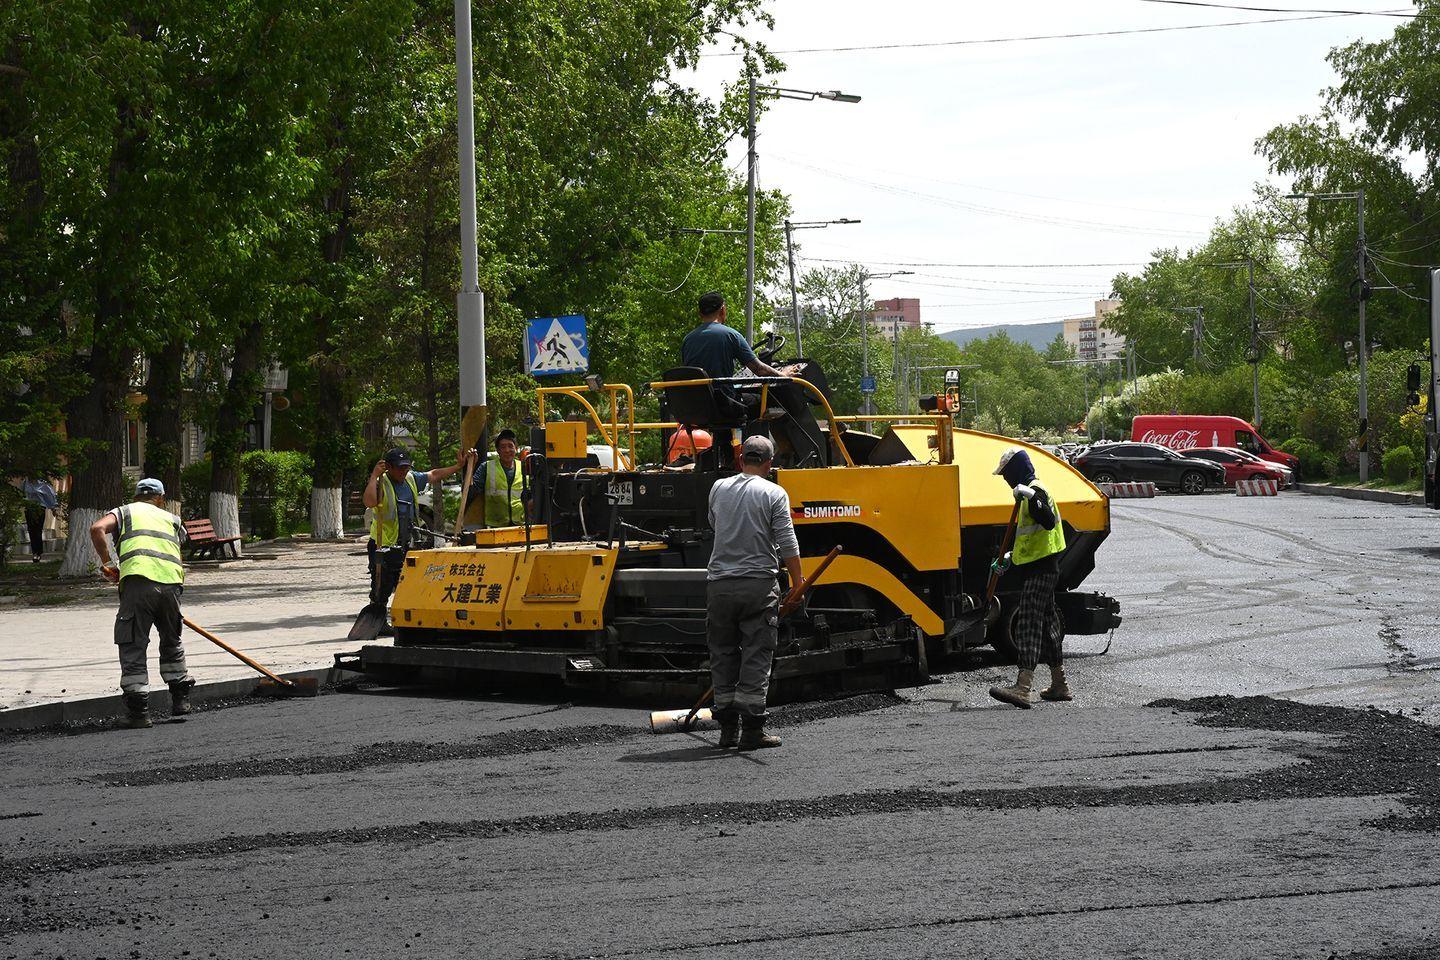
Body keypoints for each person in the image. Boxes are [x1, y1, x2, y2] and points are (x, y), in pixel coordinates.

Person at [705, 435, 805, 750]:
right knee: (756, 654)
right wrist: (798, 582)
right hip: (758, 586)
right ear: (769, 463)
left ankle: (726, 731)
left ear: (740, 460)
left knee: (722, 654)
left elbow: (714, 525)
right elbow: (787, 542)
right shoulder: (774, 493)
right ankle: (751, 732)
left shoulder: (718, 489)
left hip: (719, 586)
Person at [88, 478, 192, 729]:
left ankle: (139, 713)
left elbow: (96, 529)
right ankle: (180, 700)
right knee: (171, 639)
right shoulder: (172, 519)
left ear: (136, 497)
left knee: (133, 642)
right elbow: (176, 550)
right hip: (171, 585)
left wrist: (108, 563)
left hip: (138, 583)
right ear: (161, 498)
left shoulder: (124, 512)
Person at [988, 447, 1070, 709]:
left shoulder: (1036, 490)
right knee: (1048, 625)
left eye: (1005, 474)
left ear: (1015, 470)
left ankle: (1023, 688)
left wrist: (1031, 495)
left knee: (1028, 624)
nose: (1004, 480)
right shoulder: (1028, 492)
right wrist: (1010, 558)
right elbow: (1031, 538)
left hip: (1041, 570)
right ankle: (1060, 684)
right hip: (1041, 566)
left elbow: (1045, 519)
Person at [364, 446, 472, 632]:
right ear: (388, 467)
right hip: (383, 544)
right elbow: (369, 502)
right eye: (399, 468)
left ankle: (409, 619)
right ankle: (378, 620)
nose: (403, 471)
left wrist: (457, 466)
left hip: (406, 543)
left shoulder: (411, 479)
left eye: (406, 467)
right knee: (382, 585)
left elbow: (433, 475)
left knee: (408, 583)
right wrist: (374, 476)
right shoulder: (382, 482)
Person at [681, 291, 792, 419]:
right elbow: (759, 369)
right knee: (769, 400)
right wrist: (783, 375)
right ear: (723, 310)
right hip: (724, 404)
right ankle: (755, 439)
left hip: (695, 406)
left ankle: (724, 439)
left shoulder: (687, 340)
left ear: (700, 314)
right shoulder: (731, 335)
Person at [466, 429, 530, 528]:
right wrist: (471, 465)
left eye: (510, 446)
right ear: (498, 451)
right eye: (503, 447)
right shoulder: (486, 467)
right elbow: (470, 492)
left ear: (516, 448)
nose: (507, 450)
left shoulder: (524, 467)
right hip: (495, 525)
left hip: (521, 525)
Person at [22, 476, 59, 563]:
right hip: (29, 508)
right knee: (31, 530)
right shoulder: (25, 482)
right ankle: (34, 552)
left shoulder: (43, 483)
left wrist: (53, 508)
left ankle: (38, 553)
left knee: (38, 530)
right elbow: (22, 493)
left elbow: (50, 496)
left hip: (40, 508)